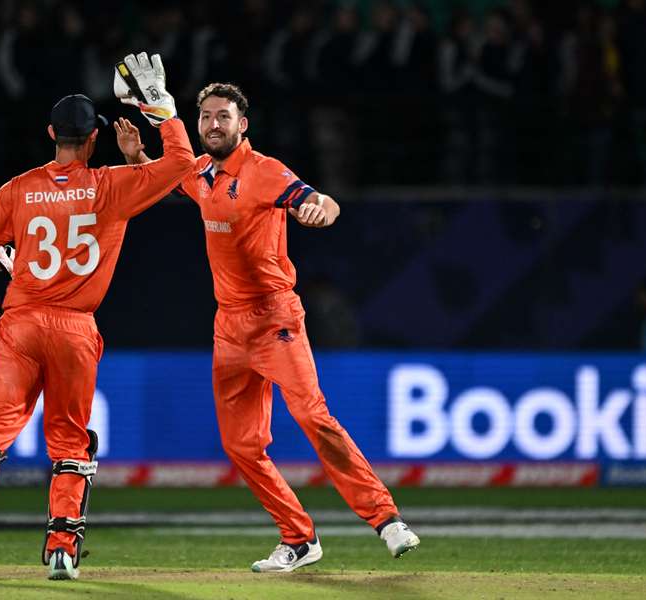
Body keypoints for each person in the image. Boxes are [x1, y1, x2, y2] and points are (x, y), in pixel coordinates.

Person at [116, 82, 420, 573]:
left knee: (313, 416)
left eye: (224, 117)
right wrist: (138, 157)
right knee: (241, 446)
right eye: (207, 117)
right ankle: (299, 539)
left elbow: (318, 199)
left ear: (243, 125)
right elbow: (164, 179)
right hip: (228, 329)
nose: (214, 125)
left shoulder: (264, 171)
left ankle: (386, 520)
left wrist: (322, 209)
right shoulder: (199, 173)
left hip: (275, 318)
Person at [0, 52, 195, 580]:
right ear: (95, 137)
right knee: (70, 440)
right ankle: (62, 550)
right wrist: (161, 111)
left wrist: (1, 257)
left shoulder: (20, 188)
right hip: (75, 327)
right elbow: (183, 164)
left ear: (52, 132)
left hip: (21, 321)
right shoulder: (111, 186)